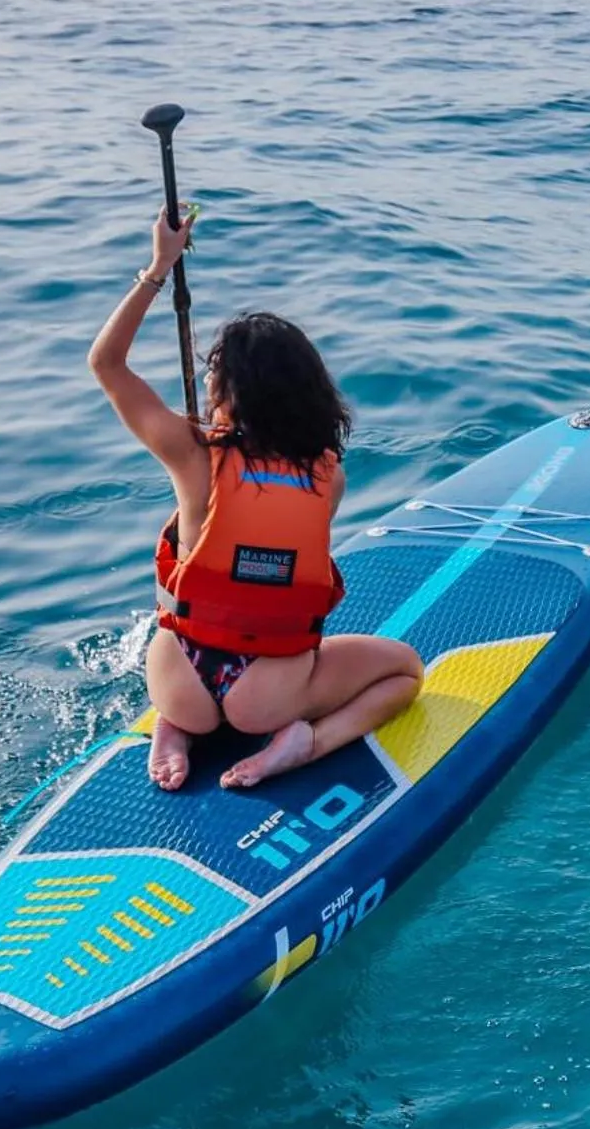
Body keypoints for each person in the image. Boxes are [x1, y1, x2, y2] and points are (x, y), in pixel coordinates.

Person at [88, 208, 423, 792]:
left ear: (225, 394)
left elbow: (106, 364)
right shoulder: (328, 478)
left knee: (181, 550)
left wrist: (159, 266)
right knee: (405, 672)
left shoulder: (192, 457)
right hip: (268, 698)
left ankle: (178, 726)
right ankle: (306, 744)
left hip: (180, 681)